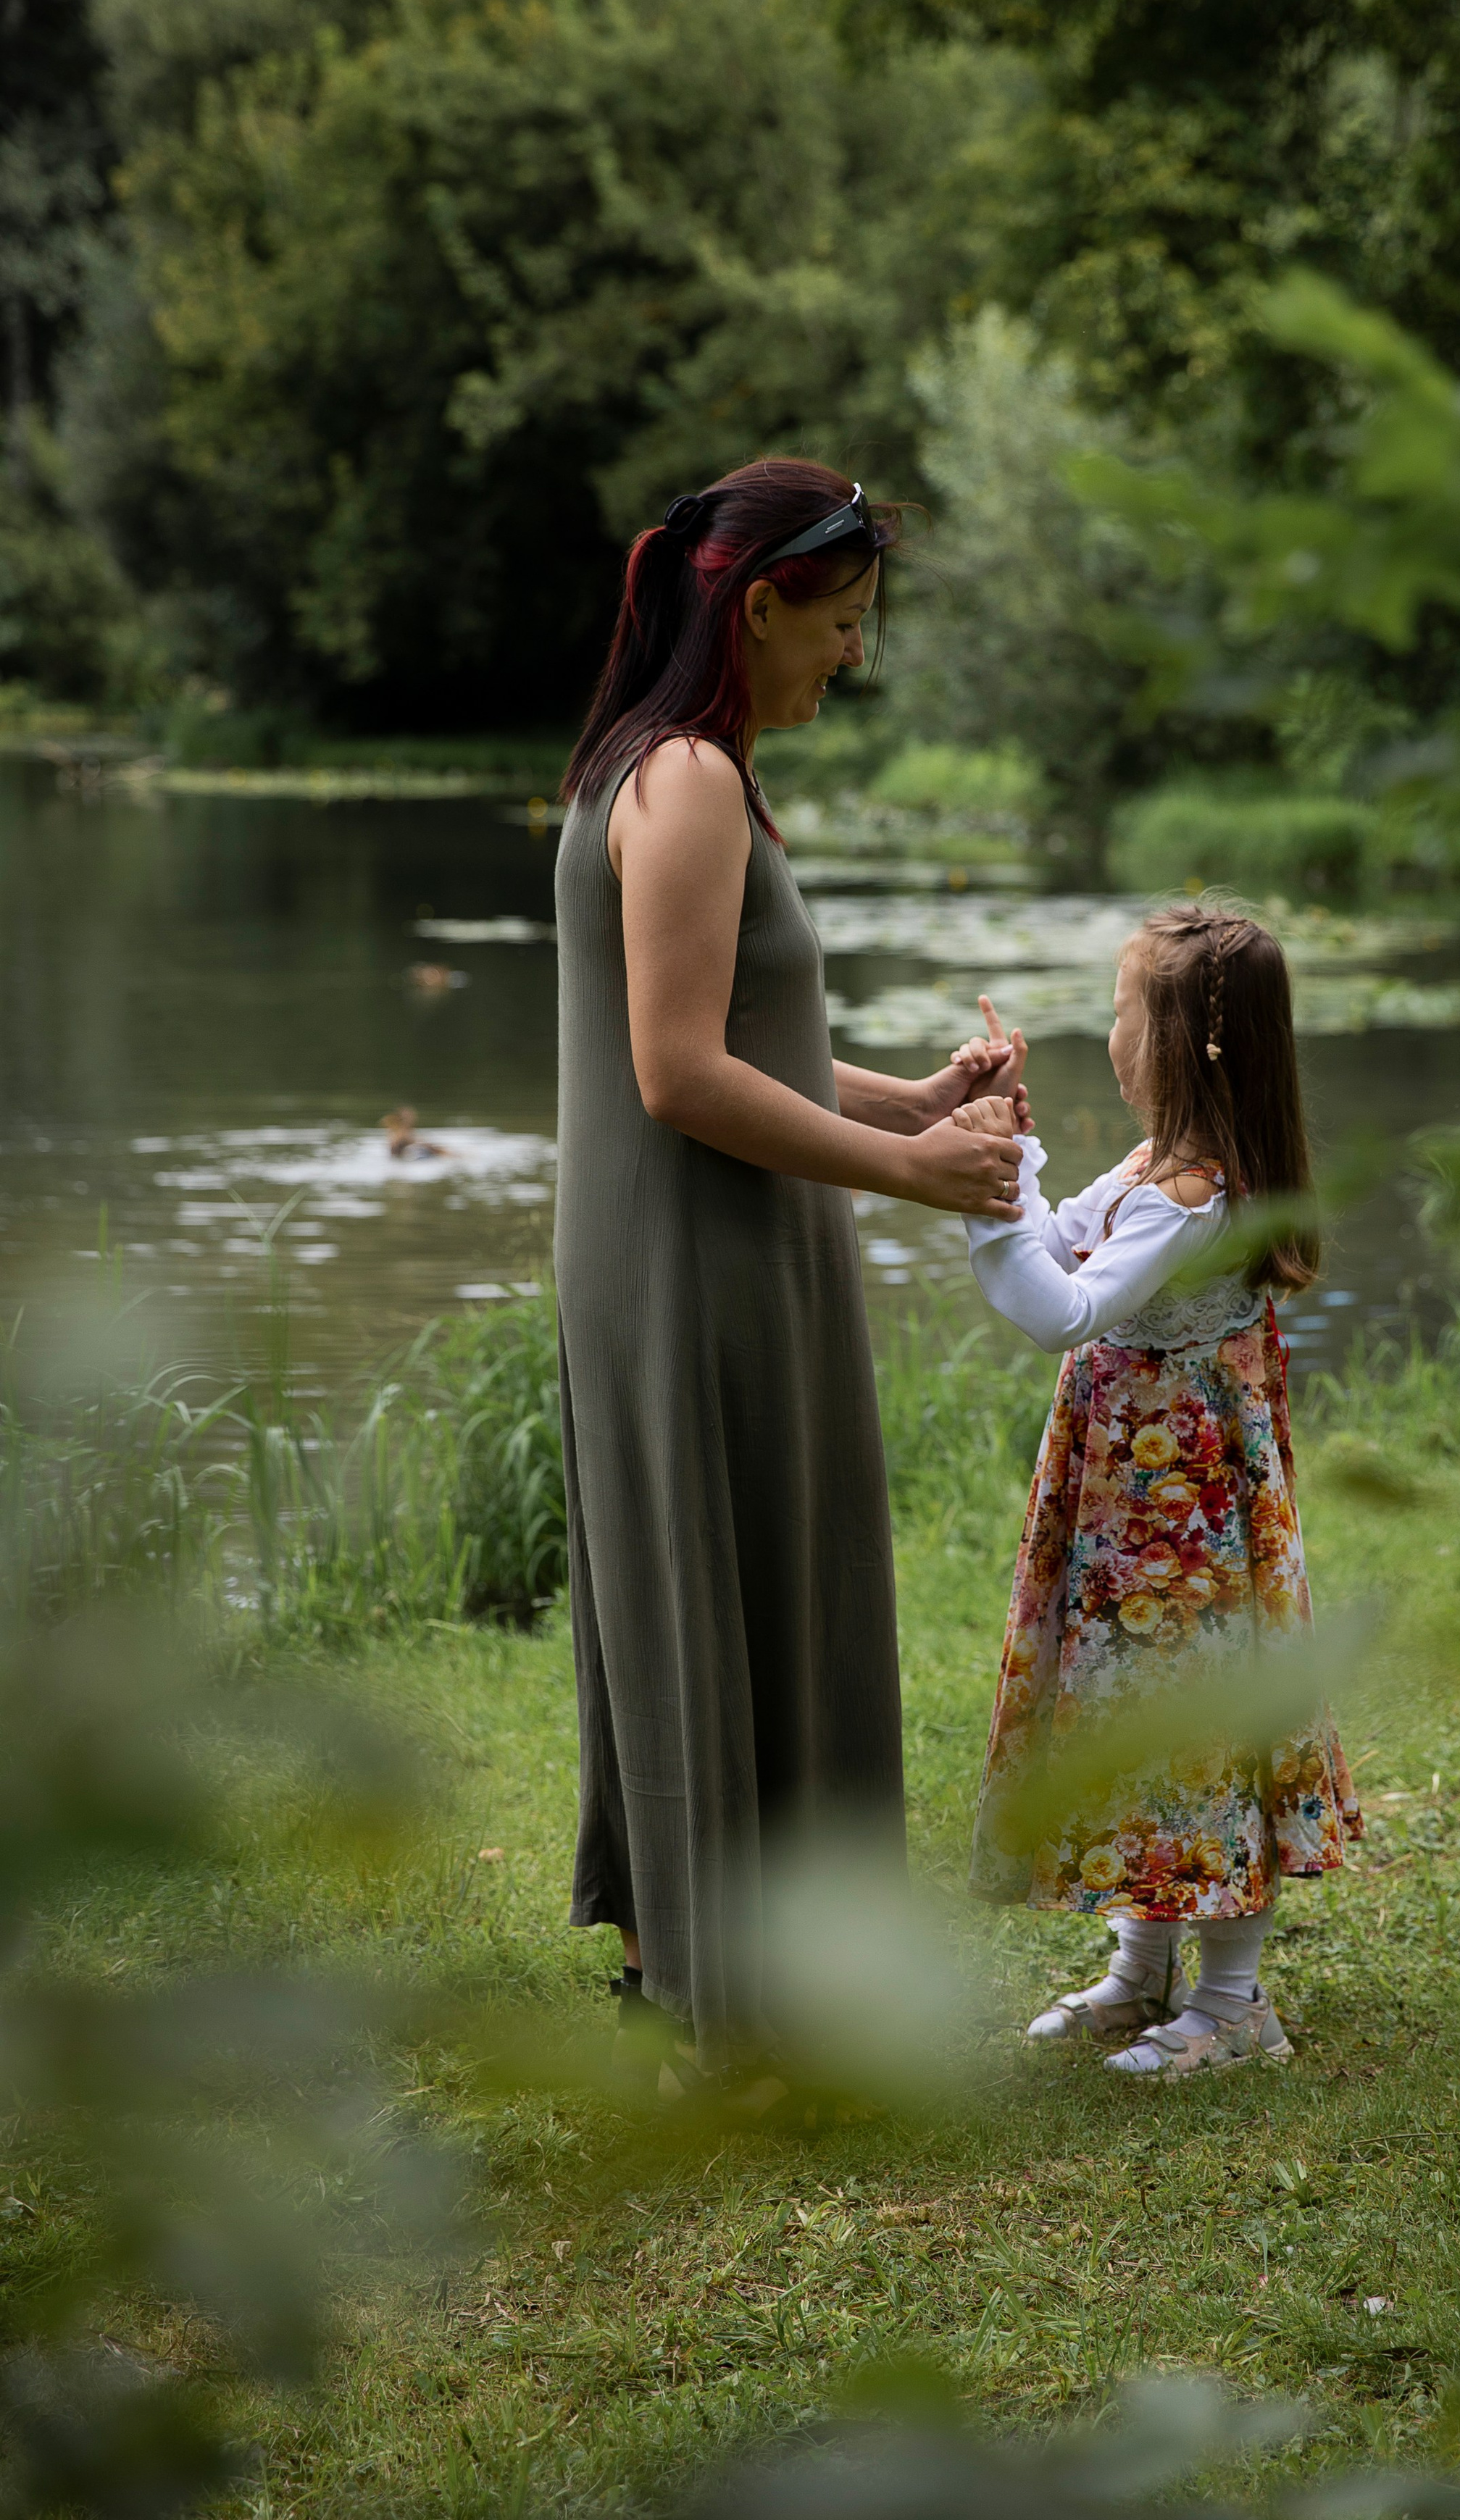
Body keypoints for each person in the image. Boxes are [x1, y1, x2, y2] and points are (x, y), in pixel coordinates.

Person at [554, 458, 1025, 2082]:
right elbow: (675, 1074)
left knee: (744, 1572)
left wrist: (915, 1098)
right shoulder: (682, 779)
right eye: (840, 625)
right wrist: (909, 1175)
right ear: (756, 605)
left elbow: (753, 1043)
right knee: (717, 1574)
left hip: (716, 1243)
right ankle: (727, 1985)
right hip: (696, 1256)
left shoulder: (686, 767)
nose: (852, 657)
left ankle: (732, 1961)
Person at [956, 905, 1363, 2080]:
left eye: (1125, 1010)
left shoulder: (1194, 1194)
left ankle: (1235, 2003)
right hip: (1137, 1511)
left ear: (1180, 1044)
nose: (1111, 1030)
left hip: (1186, 1520)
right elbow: (1067, 1238)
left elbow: (1061, 1308)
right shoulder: (1157, 1171)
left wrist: (985, 1202)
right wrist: (1012, 1155)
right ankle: (1144, 1968)